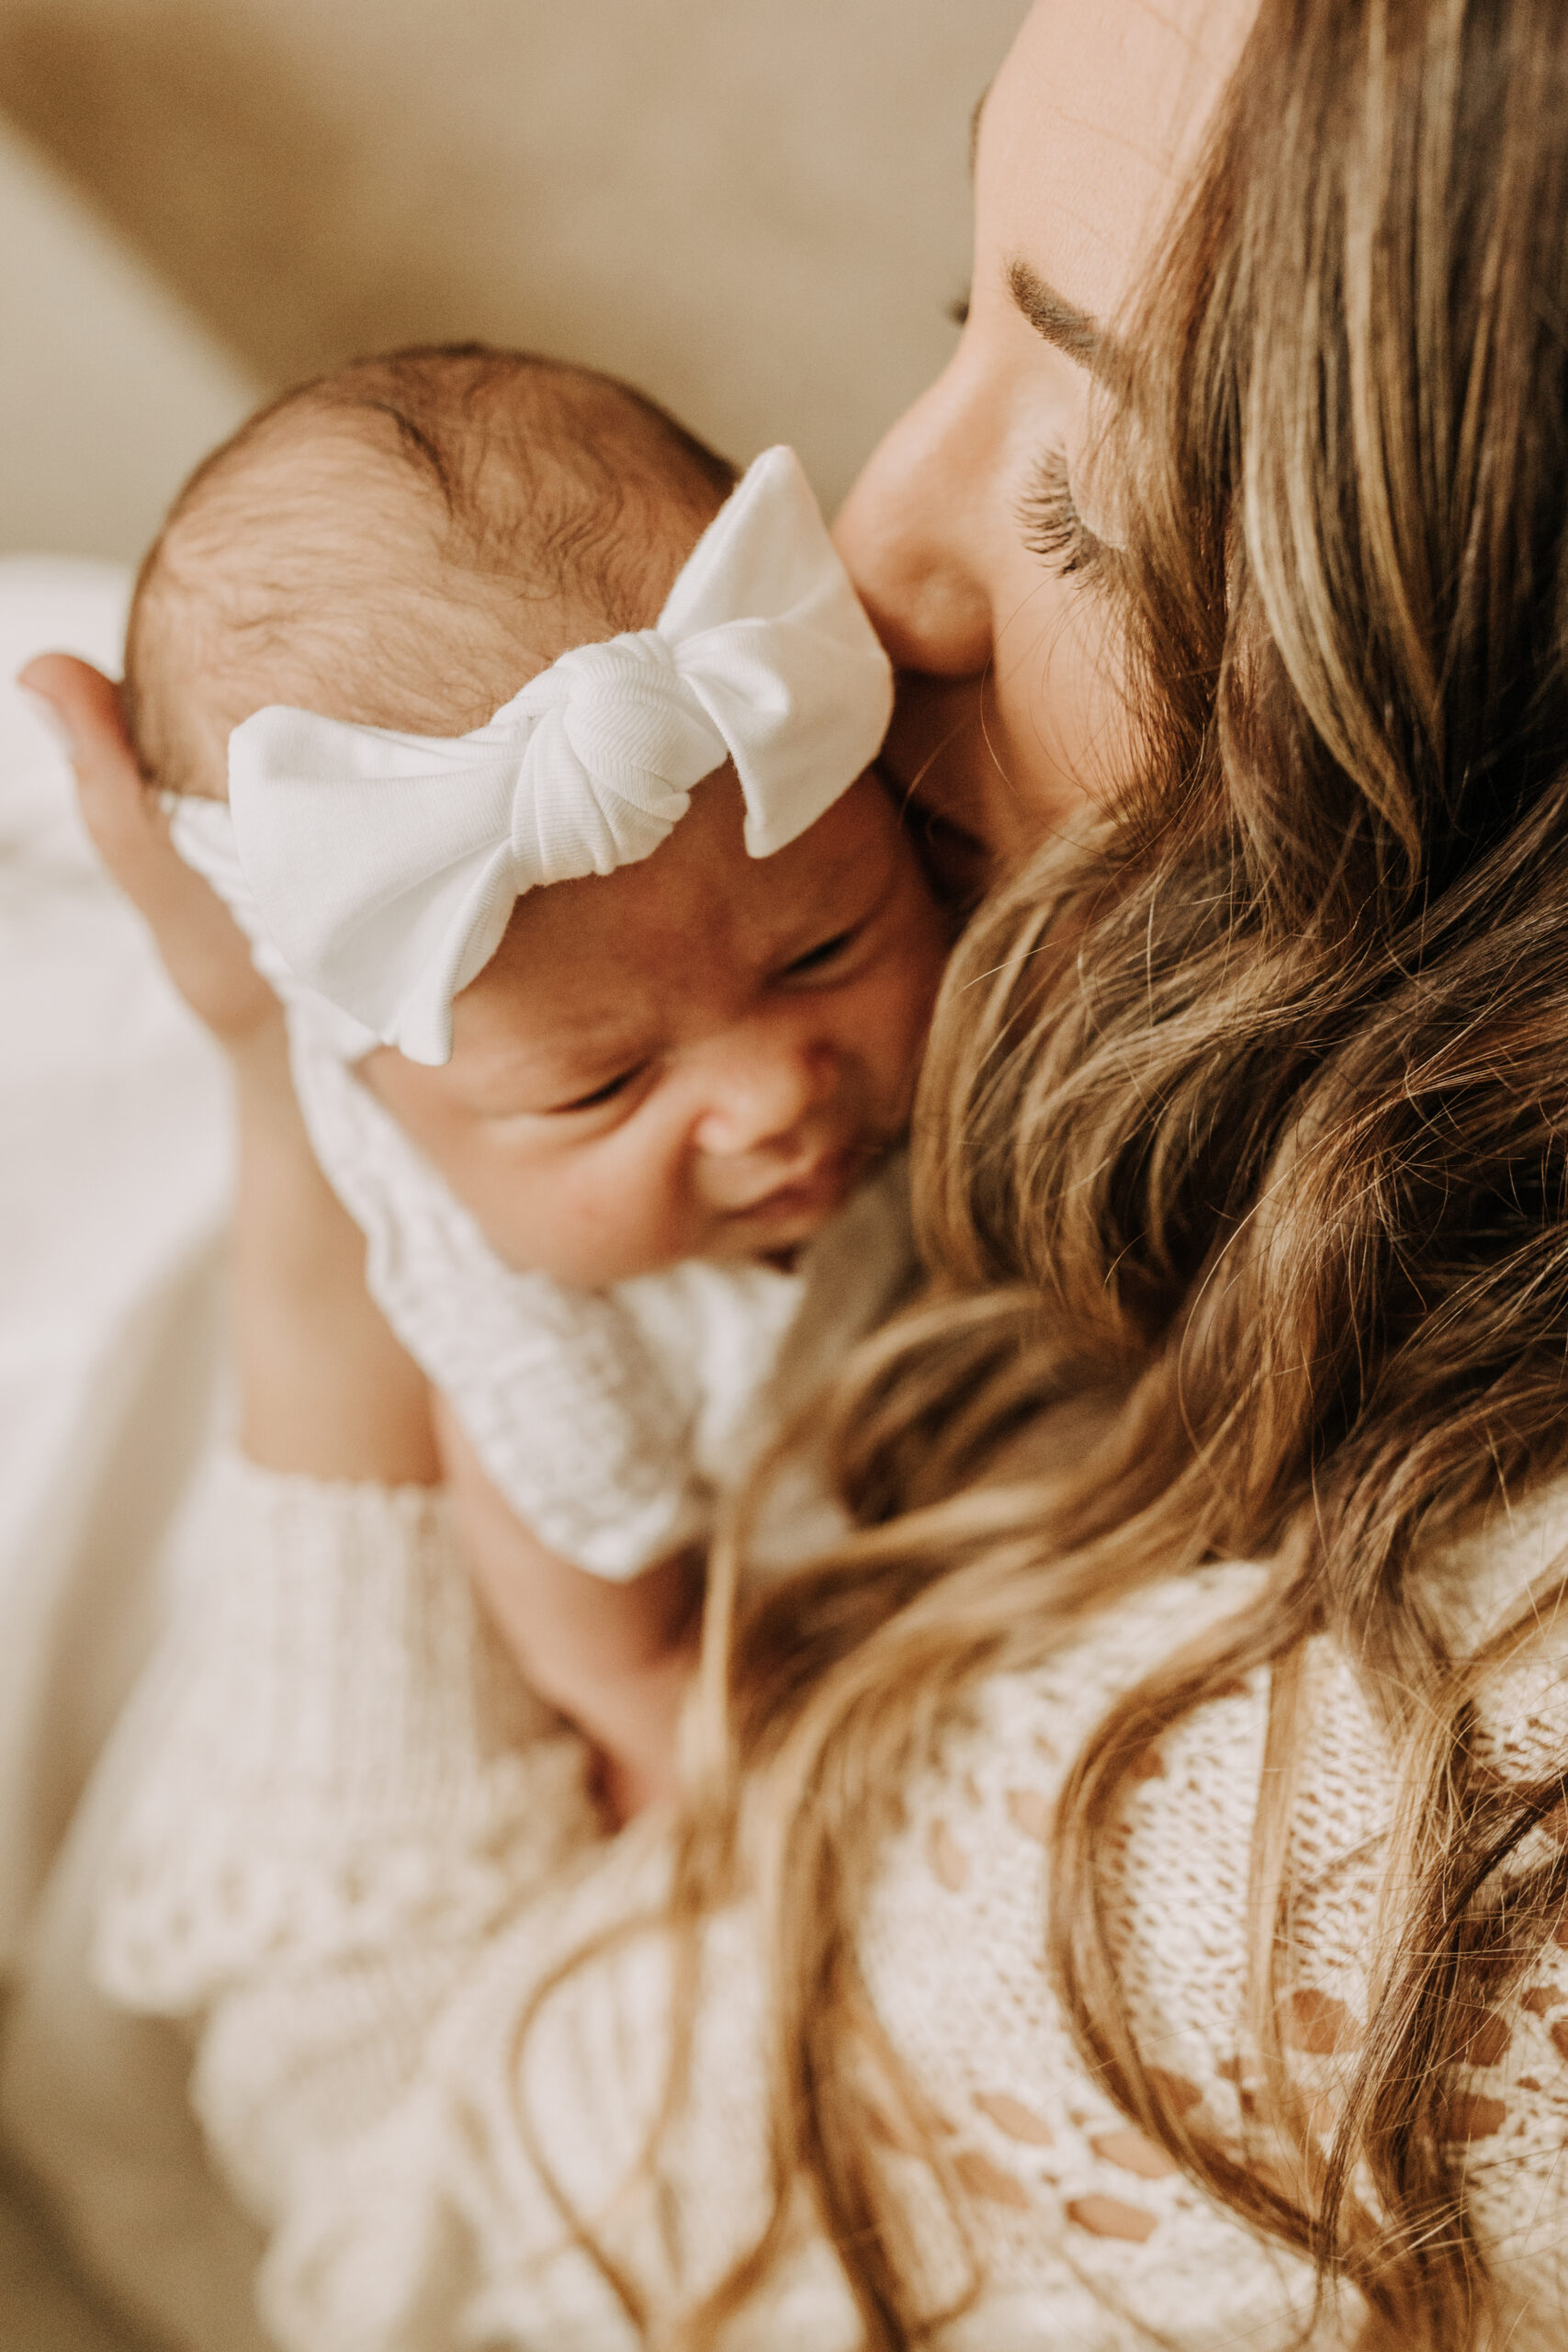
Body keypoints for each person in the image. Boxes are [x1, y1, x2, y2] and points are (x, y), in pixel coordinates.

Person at [11, 0, 1568, 2346]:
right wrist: (319, 1100)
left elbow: (388, 2233)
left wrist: (298, 1129)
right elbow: (564, 1530)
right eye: (954, 329)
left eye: (1079, 486)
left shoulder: (1320, 1880)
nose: (864, 556)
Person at [121, 347, 946, 1813]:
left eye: (824, 948)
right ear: (374, 1105)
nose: (771, 1097)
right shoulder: (547, 1363)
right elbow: (629, 1676)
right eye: (601, 1087)